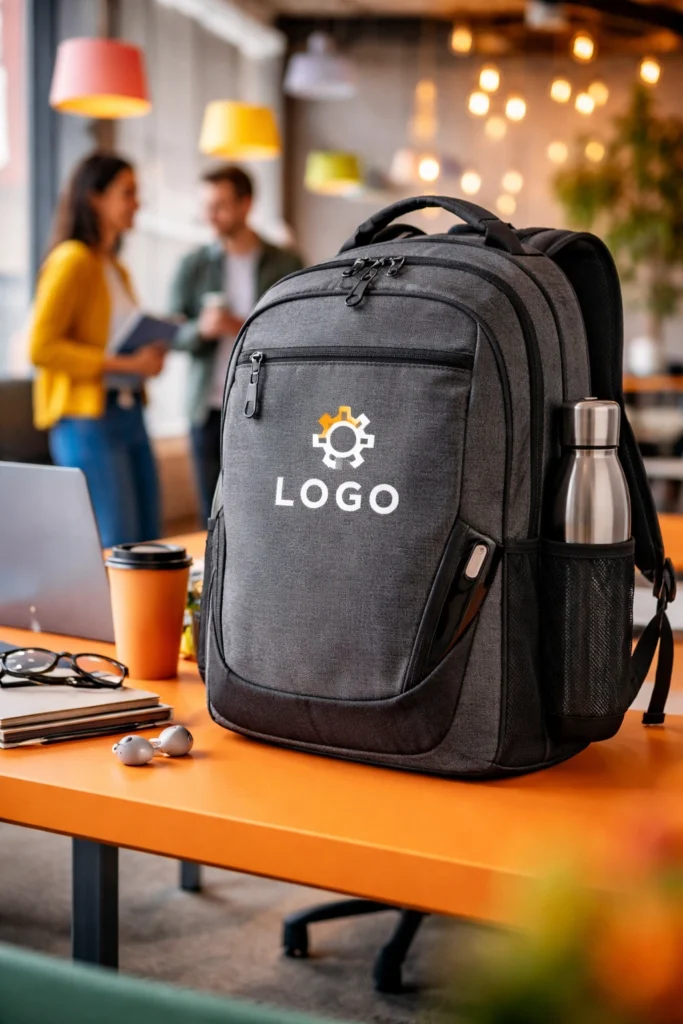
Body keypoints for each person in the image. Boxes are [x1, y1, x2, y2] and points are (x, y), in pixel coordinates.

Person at [29, 153, 166, 547]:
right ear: (95, 198)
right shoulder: (71, 260)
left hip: (128, 411)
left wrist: (146, 360)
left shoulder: (115, 267)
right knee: (116, 542)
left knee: (147, 541)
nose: (136, 203)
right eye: (128, 193)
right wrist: (125, 363)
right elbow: (41, 347)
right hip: (87, 420)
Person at [169, 165, 303, 522]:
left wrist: (241, 326)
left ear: (246, 204)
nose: (210, 216)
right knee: (208, 517)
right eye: (206, 206)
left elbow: (301, 331)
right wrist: (202, 329)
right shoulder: (193, 265)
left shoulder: (286, 263)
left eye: (220, 205)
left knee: (259, 512)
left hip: (264, 406)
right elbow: (171, 335)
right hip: (207, 407)